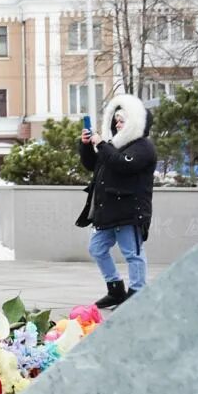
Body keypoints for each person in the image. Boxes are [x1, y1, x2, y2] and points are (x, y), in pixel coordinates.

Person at [77, 93, 155, 309]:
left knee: (133, 253)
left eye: (122, 121)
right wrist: (86, 146)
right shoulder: (114, 144)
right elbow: (94, 164)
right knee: (97, 248)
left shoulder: (143, 147)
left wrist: (102, 145)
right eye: (117, 121)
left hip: (130, 211)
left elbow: (123, 165)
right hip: (109, 211)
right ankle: (115, 289)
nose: (118, 125)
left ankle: (138, 291)